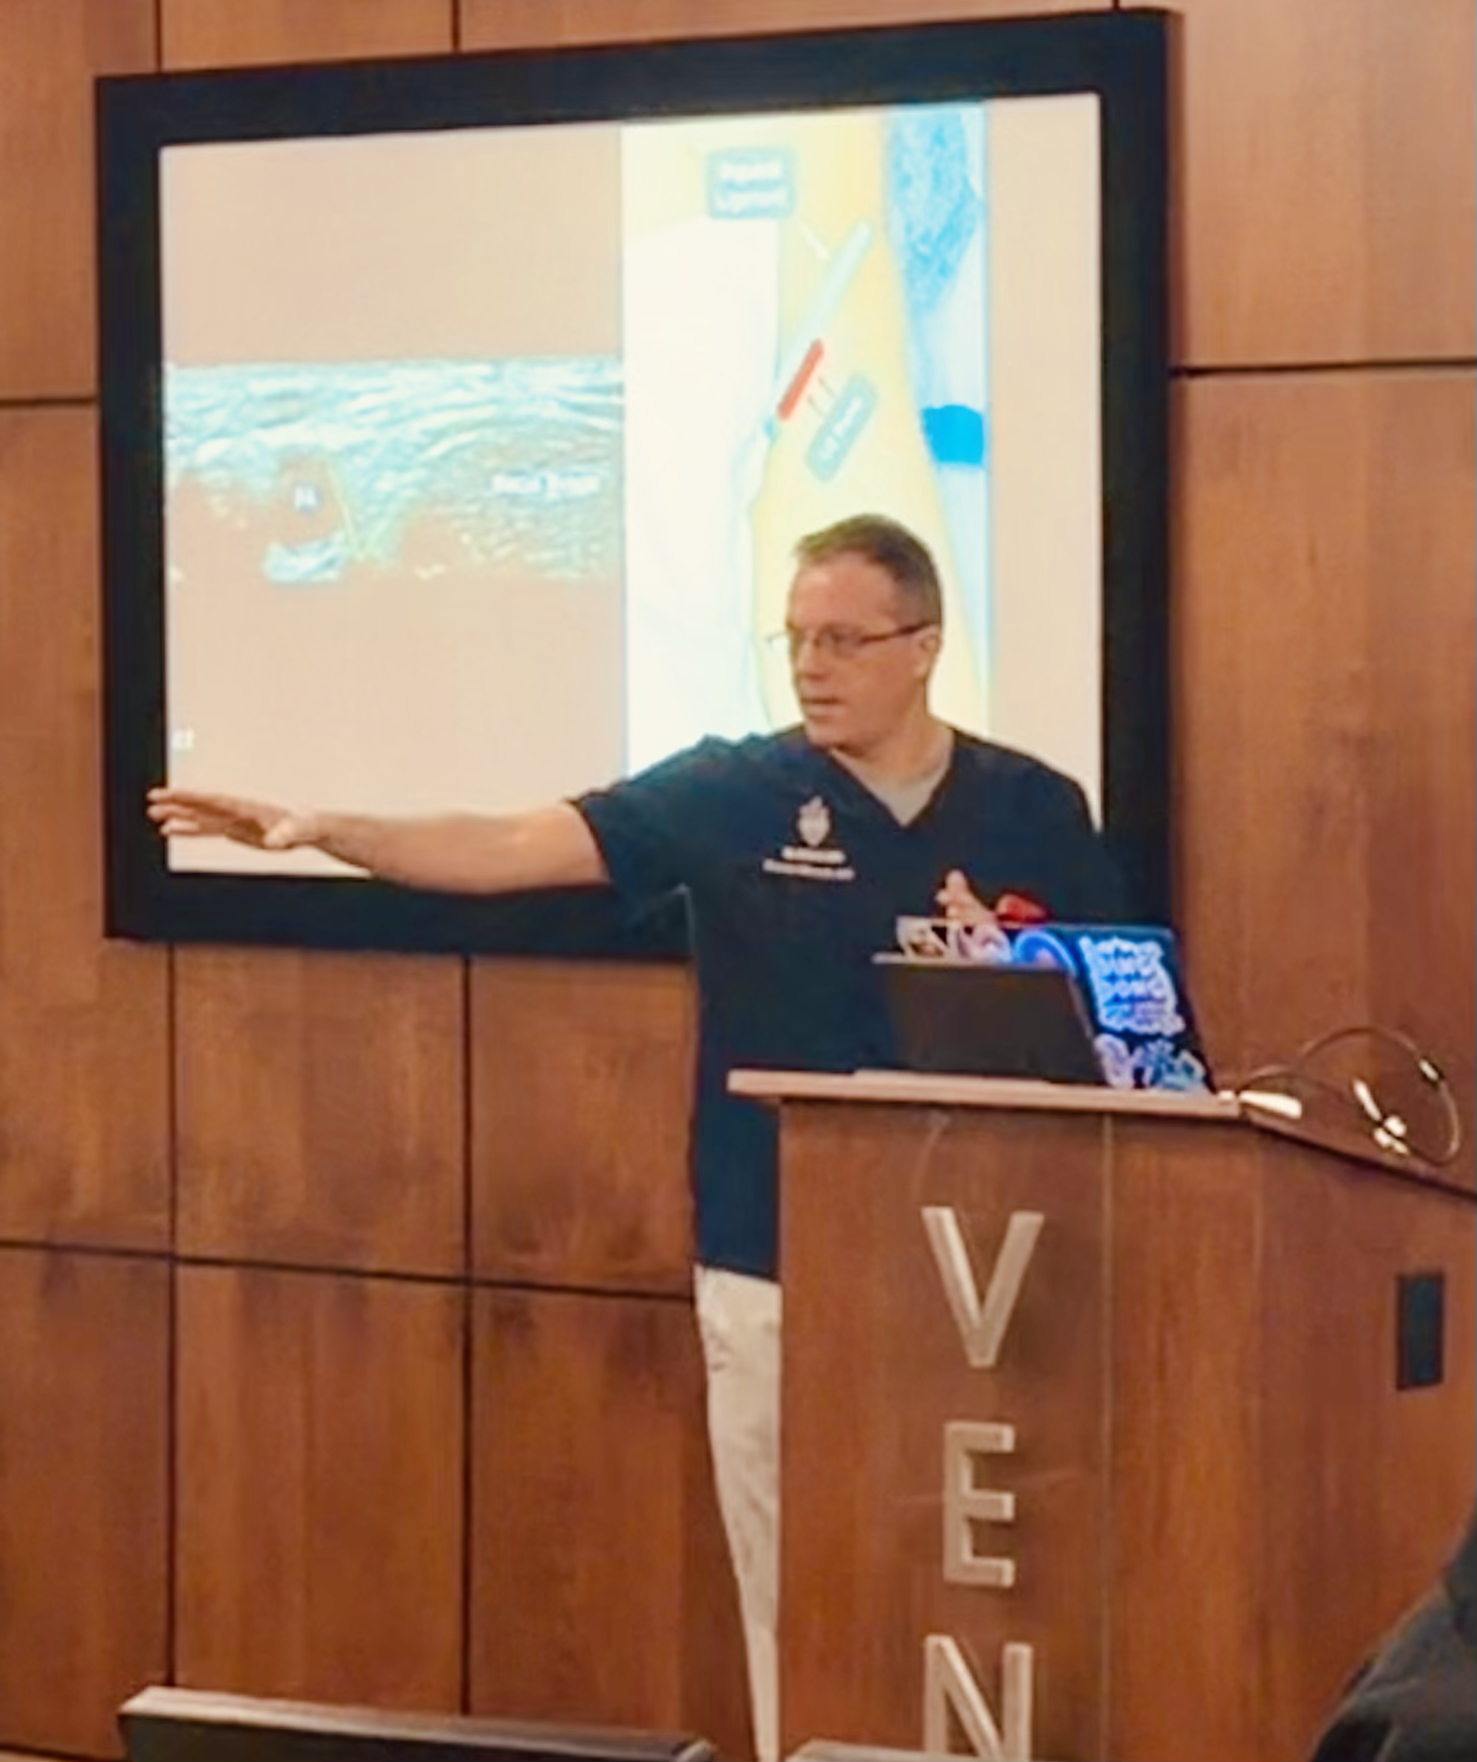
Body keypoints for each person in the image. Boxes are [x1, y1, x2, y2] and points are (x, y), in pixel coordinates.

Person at [148, 512, 1120, 1762]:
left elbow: (1116, 1006)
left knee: (977, 1591)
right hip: (773, 1249)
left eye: (843, 639)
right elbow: (508, 845)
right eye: (794, 640)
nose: (812, 666)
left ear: (923, 646)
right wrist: (329, 828)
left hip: (987, 1263)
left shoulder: (1033, 809)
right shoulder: (733, 791)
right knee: (796, 1584)